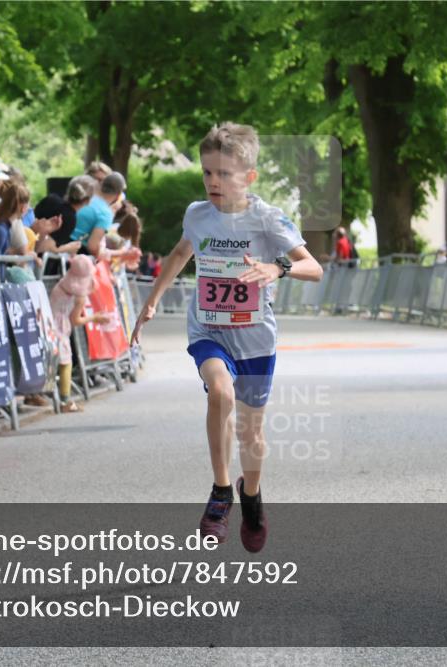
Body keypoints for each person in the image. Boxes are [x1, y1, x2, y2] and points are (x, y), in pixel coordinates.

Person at [131, 122, 323, 552]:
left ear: (249, 177)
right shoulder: (198, 214)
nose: (213, 182)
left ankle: (250, 495)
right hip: (210, 327)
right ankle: (221, 492)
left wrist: (278, 268)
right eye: (207, 173)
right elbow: (183, 251)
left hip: (255, 337)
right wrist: (153, 298)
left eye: (224, 174)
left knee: (251, 435)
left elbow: (314, 267)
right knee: (218, 392)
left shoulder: (268, 219)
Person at [48, 254, 112, 412]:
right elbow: (75, 320)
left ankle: (54, 395)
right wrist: (94, 318)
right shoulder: (79, 297)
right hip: (59, 327)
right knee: (65, 362)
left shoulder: (62, 284)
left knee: (52, 361)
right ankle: (65, 400)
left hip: (48, 322)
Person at [72, 171, 126, 256]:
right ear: (118, 195)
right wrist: (115, 253)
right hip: (74, 252)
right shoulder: (105, 213)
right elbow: (92, 247)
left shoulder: (87, 198)